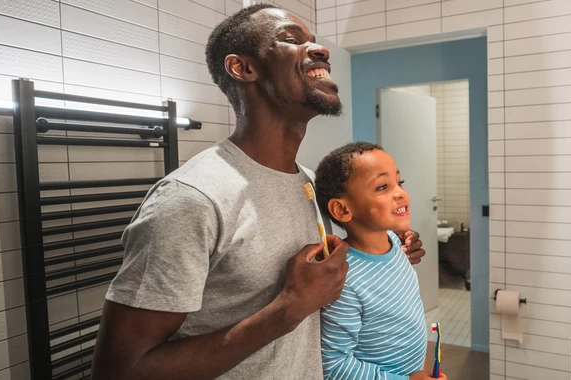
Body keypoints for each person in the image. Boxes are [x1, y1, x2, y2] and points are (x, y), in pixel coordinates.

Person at [91, 5, 426, 380]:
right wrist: (288, 309)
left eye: (314, 40)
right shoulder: (192, 199)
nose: (321, 50)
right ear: (243, 68)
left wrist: (391, 246)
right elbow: (120, 371)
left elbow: (342, 262)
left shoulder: (312, 185)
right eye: (291, 39)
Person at [315, 143, 446, 380]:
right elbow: (334, 366)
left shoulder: (396, 246)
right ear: (342, 210)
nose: (401, 193)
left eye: (399, 182)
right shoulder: (344, 279)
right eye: (383, 186)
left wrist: (422, 369)